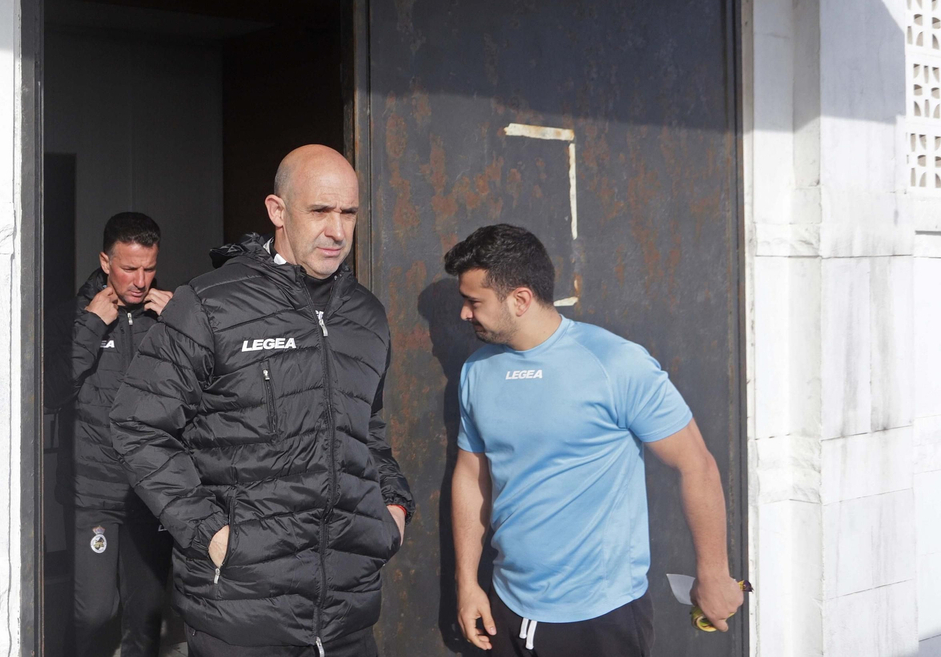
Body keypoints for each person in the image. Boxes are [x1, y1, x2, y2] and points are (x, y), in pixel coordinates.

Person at [110, 145, 413, 657]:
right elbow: (138, 425)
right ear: (278, 211)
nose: (337, 230)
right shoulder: (209, 304)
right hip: (242, 613)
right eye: (320, 211)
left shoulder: (366, 315)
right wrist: (211, 532)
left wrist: (393, 505)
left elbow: (369, 427)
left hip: (348, 610)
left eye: (348, 213)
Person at [445, 224, 746, 657]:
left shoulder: (616, 363)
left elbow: (696, 464)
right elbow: (472, 477)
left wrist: (714, 573)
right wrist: (467, 583)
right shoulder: (477, 371)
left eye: (475, 302)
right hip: (507, 608)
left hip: (602, 619)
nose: (465, 314)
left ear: (521, 299)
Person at [69, 212, 175, 657]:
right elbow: (54, 387)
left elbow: (203, 386)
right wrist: (92, 324)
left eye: (149, 267)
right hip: (96, 491)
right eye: (129, 268)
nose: (140, 280)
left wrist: (182, 324)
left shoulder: (166, 313)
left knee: (148, 615)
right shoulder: (79, 312)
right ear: (104, 261)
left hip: (149, 491)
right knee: (94, 612)